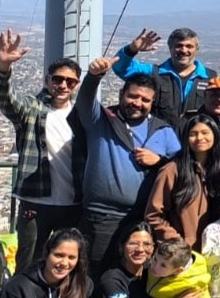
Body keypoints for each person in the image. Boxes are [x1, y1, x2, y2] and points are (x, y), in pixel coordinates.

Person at [76, 57, 182, 271]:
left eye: (145, 99)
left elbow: (182, 169)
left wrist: (160, 161)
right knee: (93, 275)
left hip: (143, 220)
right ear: (121, 95)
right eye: (132, 96)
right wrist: (94, 77)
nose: (138, 103)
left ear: (152, 103)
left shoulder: (163, 130)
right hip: (101, 217)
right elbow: (84, 101)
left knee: (136, 276)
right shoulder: (102, 120)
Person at [0, 29, 86, 274]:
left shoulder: (83, 116)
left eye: (70, 81)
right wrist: (4, 68)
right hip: (36, 201)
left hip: (73, 202)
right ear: (47, 81)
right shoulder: (31, 109)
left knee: (71, 265)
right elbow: (6, 101)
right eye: (57, 79)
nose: (63, 85)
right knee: (29, 264)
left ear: (77, 85)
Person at [145, 114, 220, 249]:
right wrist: (176, 241)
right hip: (184, 254)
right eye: (193, 134)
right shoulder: (172, 170)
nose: (199, 138)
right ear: (185, 138)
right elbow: (154, 215)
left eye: (205, 133)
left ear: (215, 135)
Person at [112, 27, 215, 129]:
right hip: (159, 141)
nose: (184, 50)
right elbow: (120, 68)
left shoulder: (210, 77)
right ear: (170, 47)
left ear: (197, 49)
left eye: (189, 46)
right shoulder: (153, 73)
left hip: (196, 141)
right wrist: (131, 49)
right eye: (179, 46)